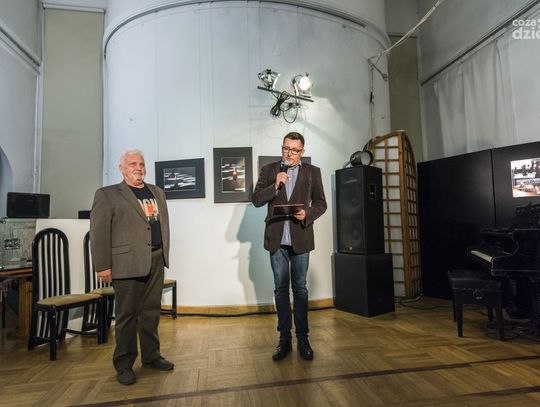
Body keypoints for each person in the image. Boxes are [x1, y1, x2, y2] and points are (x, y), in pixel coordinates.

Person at [90, 149, 174, 385]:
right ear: (121, 169)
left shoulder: (157, 192)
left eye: (141, 163)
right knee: (127, 316)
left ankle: (151, 356)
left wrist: (164, 253)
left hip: (156, 259)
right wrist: (102, 265)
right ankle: (124, 365)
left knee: (151, 312)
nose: (138, 167)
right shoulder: (107, 195)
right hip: (126, 263)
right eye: (132, 164)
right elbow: (98, 232)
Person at [252, 132, 327, 361]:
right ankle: (284, 339)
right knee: (281, 289)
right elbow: (256, 200)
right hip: (277, 240)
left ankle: (303, 338)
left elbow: (321, 203)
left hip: (301, 238)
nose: (289, 153)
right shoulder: (269, 170)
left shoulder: (313, 172)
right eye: (286, 148)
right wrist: (275, 185)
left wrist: (308, 213)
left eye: (294, 150)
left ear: (302, 152)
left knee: (300, 289)